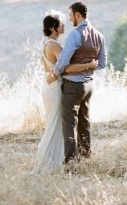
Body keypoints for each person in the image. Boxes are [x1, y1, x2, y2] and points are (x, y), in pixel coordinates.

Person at [33, 10, 98, 174]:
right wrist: (89, 65)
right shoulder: (54, 45)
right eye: (61, 24)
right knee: (55, 124)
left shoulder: (47, 44)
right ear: (54, 28)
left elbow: (50, 66)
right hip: (55, 88)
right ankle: (48, 164)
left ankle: (55, 160)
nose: (64, 25)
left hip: (49, 85)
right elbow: (67, 67)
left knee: (53, 124)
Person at [47, 1, 107, 167]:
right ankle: (85, 158)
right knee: (84, 122)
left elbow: (63, 59)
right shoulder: (99, 36)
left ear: (78, 15)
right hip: (89, 85)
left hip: (73, 86)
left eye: (71, 15)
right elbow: (101, 64)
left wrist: (57, 72)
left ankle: (71, 165)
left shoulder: (75, 34)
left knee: (69, 125)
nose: (69, 18)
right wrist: (88, 67)